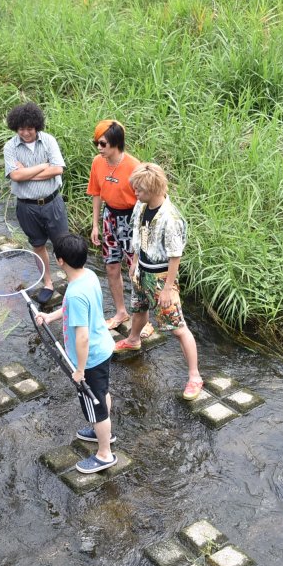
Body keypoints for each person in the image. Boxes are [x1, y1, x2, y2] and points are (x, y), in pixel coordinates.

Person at [114, 163, 204, 400]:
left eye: (140, 190)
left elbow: (176, 256)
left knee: (178, 328)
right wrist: (134, 261)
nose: (136, 194)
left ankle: (194, 376)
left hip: (162, 277)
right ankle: (133, 339)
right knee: (138, 308)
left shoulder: (171, 217)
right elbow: (138, 232)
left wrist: (167, 289)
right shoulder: (142, 206)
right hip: (142, 269)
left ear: (153, 189)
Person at [36, 234, 118, 473]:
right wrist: (51, 317)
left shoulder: (75, 293)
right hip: (103, 348)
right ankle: (102, 432)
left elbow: (82, 336)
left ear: (60, 261)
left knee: (95, 405)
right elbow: (72, 309)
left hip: (90, 358)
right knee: (102, 394)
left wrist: (80, 370)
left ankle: (104, 453)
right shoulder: (88, 276)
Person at [86, 118, 151, 338]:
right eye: (97, 143)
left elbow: (144, 206)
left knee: (136, 271)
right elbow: (95, 193)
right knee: (111, 267)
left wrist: (140, 240)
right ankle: (121, 311)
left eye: (103, 144)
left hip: (132, 220)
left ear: (116, 143)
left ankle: (143, 319)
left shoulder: (134, 167)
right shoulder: (97, 162)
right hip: (109, 217)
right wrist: (95, 225)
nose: (99, 148)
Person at [2, 101, 68, 304]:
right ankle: (48, 282)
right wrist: (42, 166)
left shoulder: (48, 140)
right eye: (21, 129)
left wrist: (26, 173)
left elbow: (58, 169)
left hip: (53, 201)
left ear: (36, 126)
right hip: (26, 206)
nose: (26, 133)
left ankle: (72, 280)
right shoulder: (10, 146)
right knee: (38, 246)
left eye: (29, 128)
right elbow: (15, 175)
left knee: (63, 245)